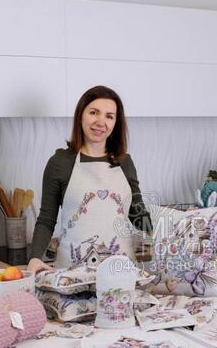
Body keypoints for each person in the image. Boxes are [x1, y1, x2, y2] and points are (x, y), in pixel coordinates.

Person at [27, 85, 152, 274]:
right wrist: (35, 258)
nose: (101, 122)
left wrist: (175, 223)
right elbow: (46, 220)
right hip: (72, 274)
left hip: (121, 275)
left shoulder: (125, 162)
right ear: (81, 116)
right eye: (94, 112)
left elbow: (138, 215)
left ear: (115, 123)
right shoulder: (60, 162)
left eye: (109, 116)